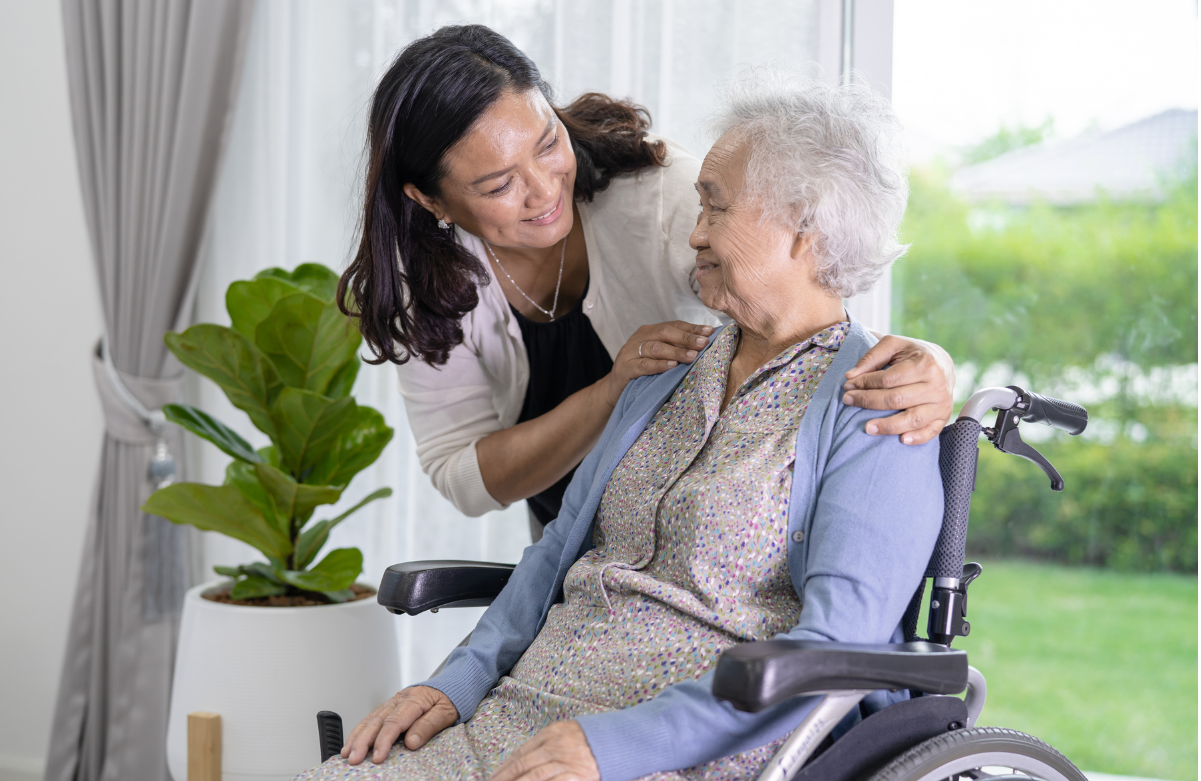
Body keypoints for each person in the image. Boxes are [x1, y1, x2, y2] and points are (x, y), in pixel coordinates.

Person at [301, 70, 944, 781]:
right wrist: (451, 684)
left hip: (688, 746)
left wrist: (615, 747)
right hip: (525, 714)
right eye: (699, 205)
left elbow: (835, 644)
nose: (693, 231)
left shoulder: (875, 408)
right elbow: (551, 558)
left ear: (804, 226)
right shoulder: (664, 369)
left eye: (715, 208)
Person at [337, 25, 955, 538]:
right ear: (430, 201)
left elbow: (815, 297)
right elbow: (464, 477)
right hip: (580, 551)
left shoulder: (666, 199)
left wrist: (929, 364)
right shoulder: (424, 283)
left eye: (548, 142)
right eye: (499, 185)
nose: (545, 188)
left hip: (699, 537)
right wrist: (611, 393)